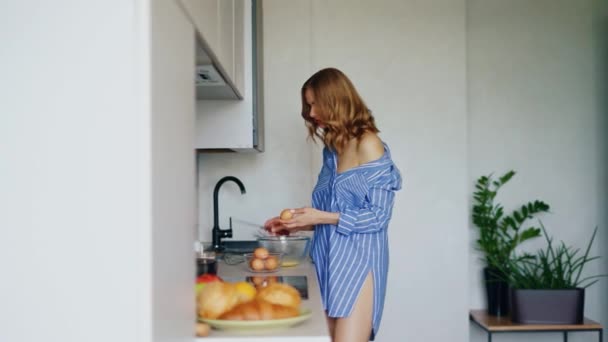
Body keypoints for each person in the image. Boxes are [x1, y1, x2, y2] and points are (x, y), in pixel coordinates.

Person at [264, 67, 402, 342]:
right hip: (326, 260)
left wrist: (319, 217)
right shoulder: (332, 148)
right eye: (309, 105)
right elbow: (333, 212)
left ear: (335, 100)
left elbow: (378, 217)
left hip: (359, 262)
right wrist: (297, 223)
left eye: (315, 103)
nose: (311, 113)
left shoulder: (369, 143)